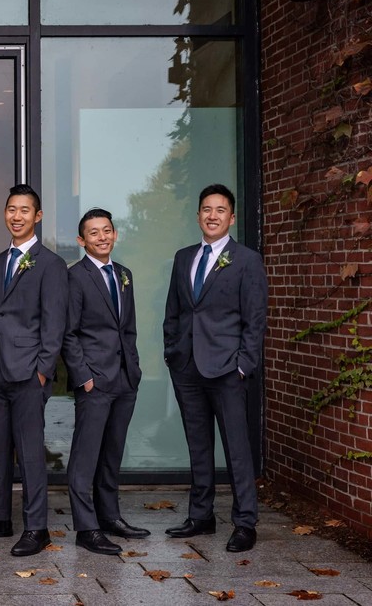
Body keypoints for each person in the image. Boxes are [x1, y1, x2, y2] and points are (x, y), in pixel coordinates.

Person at [0, 184, 67, 557]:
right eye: (11, 209)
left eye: (24, 210)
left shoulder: (51, 264)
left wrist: (42, 370)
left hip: (28, 372)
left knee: (31, 452)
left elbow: (54, 324)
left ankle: (37, 527)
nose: (16, 216)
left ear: (37, 216)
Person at [163, 184, 267, 553]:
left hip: (226, 369)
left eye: (220, 210)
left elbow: (255, 320)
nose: (212, 216)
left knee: (236, 448)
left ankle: (244, 522)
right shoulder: (183, 257)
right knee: (198, 445)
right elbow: (174, 311)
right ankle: (201, 516)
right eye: (206, 209)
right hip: (187, 367)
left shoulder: (246, 260)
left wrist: (243, 366)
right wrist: (172, 354)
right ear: (198, 216)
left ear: (232, 217)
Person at [62, 208, 148, 556]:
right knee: (85, 458)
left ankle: (110, 517)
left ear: (115, 234)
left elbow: (127, 328)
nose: (102, 237)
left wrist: (135, 369)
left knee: (112, 454)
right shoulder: (76, 277)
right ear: (82, 241)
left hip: (124, 379)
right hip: (94, 381)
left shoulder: (124, 274)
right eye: (93, 233)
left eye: (107, 230)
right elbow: (68, 333)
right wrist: (84, 377)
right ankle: (86, 528)